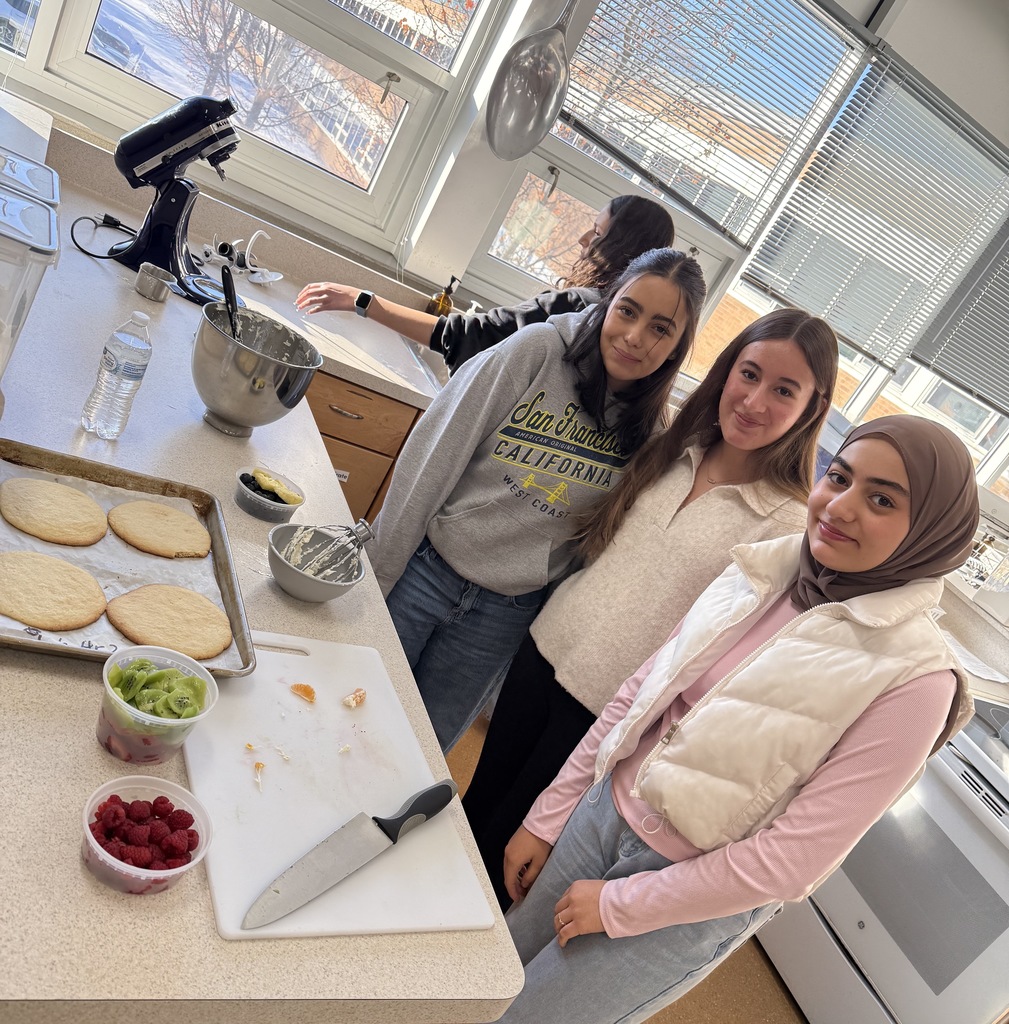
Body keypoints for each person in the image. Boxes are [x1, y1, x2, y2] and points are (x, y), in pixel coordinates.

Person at [494, 415, 979, 1024]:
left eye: (882, 499)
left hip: (687, 893)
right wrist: (549, 817)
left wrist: (625, 904)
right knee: (489, 977)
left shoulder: (917, 679)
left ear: (932, 531)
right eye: (840, 477)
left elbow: (791, 860)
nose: (841, 506)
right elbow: (641, 695)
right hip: (600, 813)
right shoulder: (768, 568)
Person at [462, 307, 839, 906]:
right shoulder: (673, 448)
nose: (754, 400)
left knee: (512, 856)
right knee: (476, 807)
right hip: (544, 653)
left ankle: (443, 980)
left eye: (784, 390)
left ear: (812, 408)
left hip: (608, 714)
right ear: (726, 371)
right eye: (749, 374)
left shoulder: (788, 525)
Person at [365, 248, 707, 752]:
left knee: (420, 750)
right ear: (609, 302)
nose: (635, 337)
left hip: (502, 615)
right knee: (352, 701)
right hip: (425, 572)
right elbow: (432, 459)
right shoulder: (537, 351)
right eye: (628, 310)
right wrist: (378, 576)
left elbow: (592, 547)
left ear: (678, 346)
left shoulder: (652, 433)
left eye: (661, 328)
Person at [294, 195, 676, 373]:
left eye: (596, 232)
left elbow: (466, 336)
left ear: (619, 245)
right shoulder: (614, 328)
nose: (582, 241)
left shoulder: (577, 307)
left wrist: (364, 301)